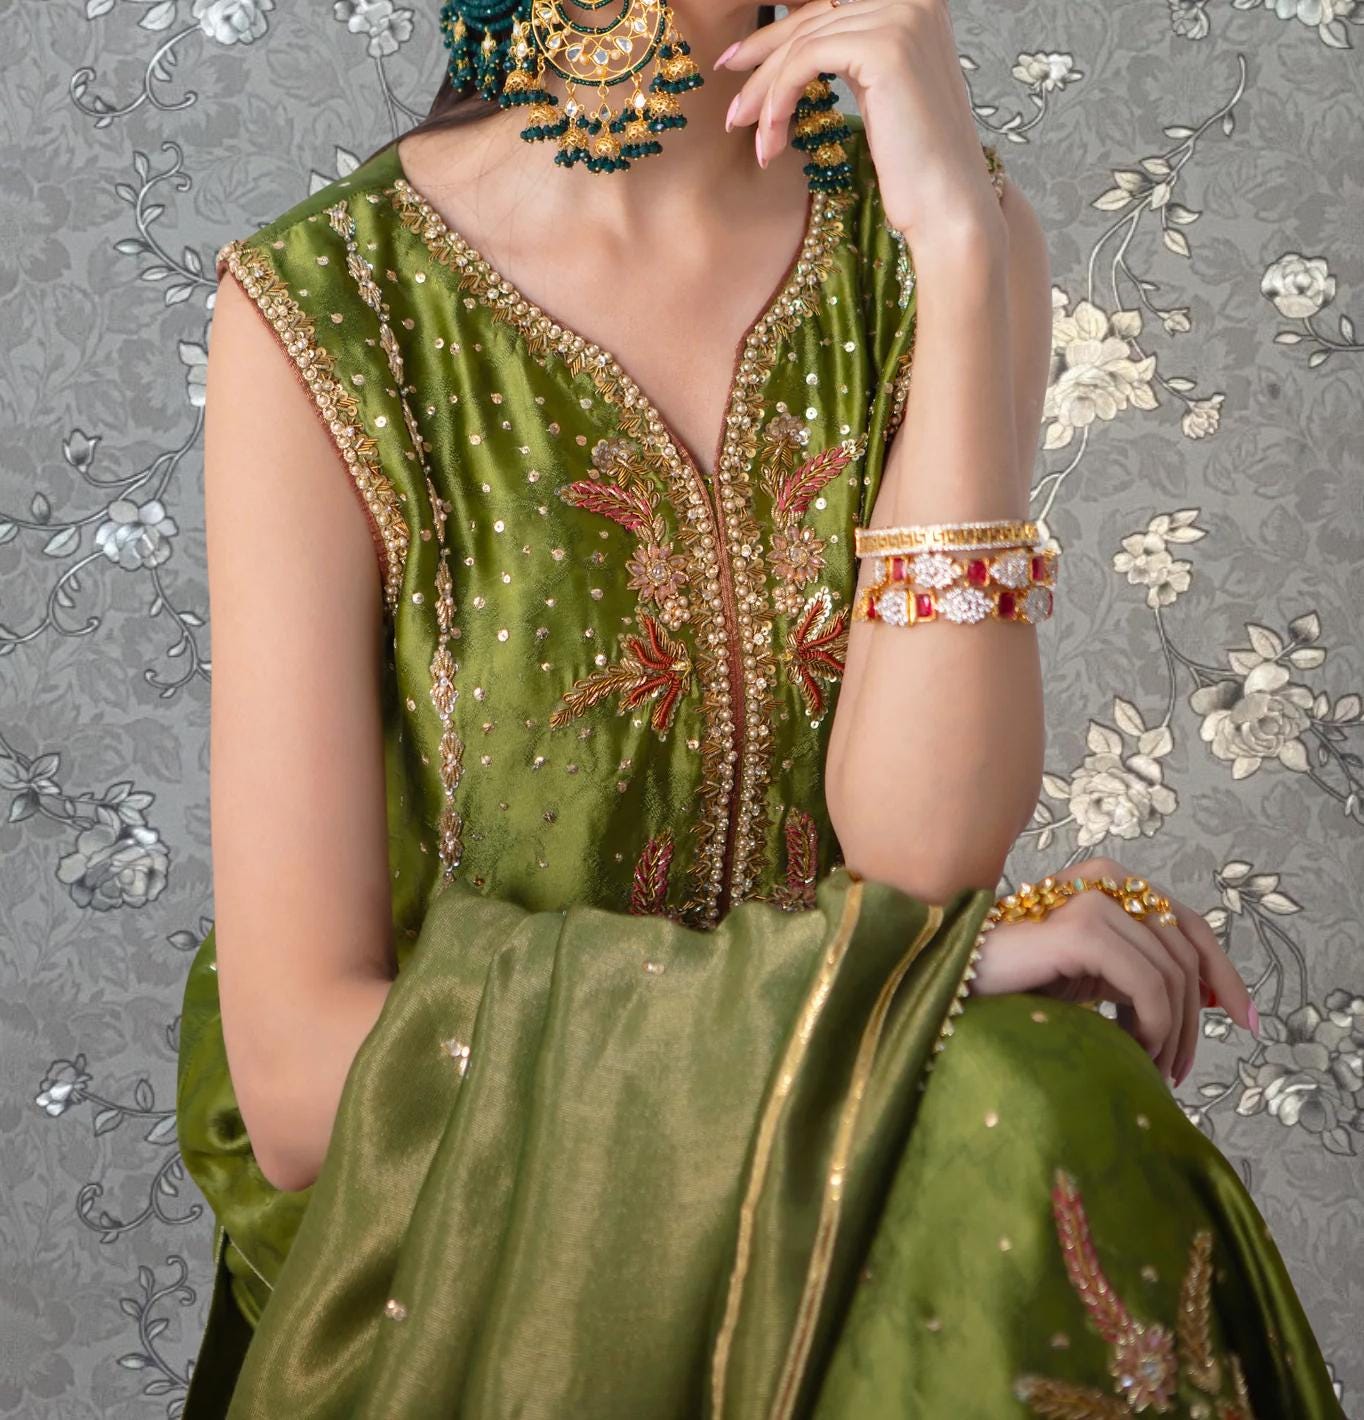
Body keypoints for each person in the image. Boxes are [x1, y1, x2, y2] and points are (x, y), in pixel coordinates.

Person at [174, 0, 1344, 1413]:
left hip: (836, 1171)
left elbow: (921, 860)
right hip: (471, 1227)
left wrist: (961, 254)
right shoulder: (327, 309)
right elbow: (300, 1084)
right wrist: (886, 992)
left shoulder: (923, 242)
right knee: (1020, 1100)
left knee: (1041, 1103)